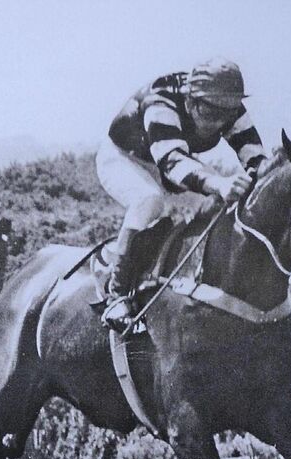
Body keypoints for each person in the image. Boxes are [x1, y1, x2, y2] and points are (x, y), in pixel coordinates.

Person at [97, 57, 266, 331]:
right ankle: (115, 292)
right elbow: (171, 161)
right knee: (148, 200)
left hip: (168, 160)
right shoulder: (160, 100)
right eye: (209, 112)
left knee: (214, 205)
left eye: (225, 115)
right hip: (124, 158)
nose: (217, 123)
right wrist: (219, 183)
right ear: (190, 99)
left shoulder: (226, 103)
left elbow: (255, 157)